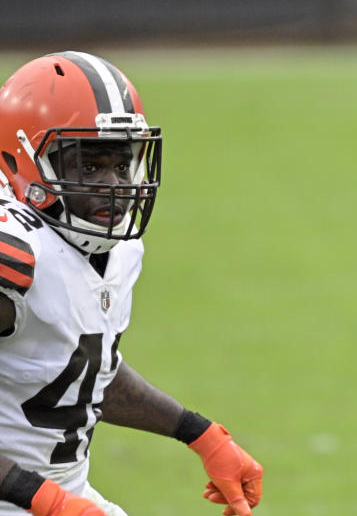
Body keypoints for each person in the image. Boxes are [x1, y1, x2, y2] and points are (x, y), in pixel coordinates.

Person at [0, 52, 263, 516]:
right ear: (21, 159)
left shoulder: (115, 250)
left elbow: (78, 369)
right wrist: (45, 499)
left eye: (122, 165)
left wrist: (200, 434)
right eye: (89, 166)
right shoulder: (14, 254)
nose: (113, 186)